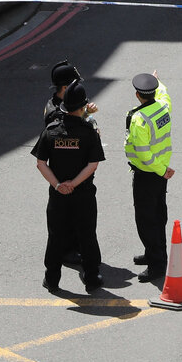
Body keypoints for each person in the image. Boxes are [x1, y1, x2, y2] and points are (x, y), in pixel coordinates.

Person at [31, 81, 104, 294]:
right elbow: (93, 164)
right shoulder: (89, 132)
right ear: (82, 108)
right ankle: (91, 278)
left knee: (56, 236)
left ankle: (51, 279)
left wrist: (58, 185)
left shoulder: (51, 131)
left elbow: (40, 163)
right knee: (87, 235)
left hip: (58, 196)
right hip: (83, 195)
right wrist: (74, 183)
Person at [125, 71, 173, 282]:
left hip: (148, 174)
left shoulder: (139, 119)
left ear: (137, 95)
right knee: (158, 215)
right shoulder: (163, 107)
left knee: (146, 220)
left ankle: (156, 265)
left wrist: (161, 171)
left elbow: (144, 154)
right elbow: (164, 94)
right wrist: (158, 80)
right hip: (160, 171)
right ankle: (154, 253)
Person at [45, 60, 98, 128]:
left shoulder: (55, 102)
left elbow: (73, 119)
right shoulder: (56, 114)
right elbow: (72, 128)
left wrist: (87, 112)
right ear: (65, 87)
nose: (77, 86)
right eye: (75, 84)